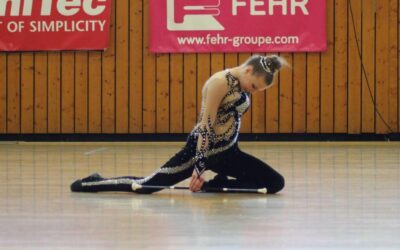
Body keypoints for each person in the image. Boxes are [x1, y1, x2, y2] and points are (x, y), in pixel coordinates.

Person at [71, 55, 285, 194]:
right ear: (248, 70)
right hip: (200, 150)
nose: (253, 92)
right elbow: (205, 125)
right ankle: (94, 182)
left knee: (275, 183)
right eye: (254, 86)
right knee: (146, 186)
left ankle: (214, 185)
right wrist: (200, 165)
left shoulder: (242, 85)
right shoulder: (220, 82)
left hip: (229, 152)